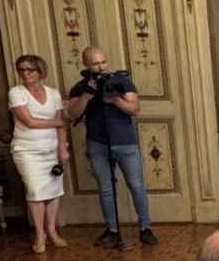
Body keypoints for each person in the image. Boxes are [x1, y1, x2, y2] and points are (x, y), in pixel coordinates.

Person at [66, 45, 156, 248]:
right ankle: (112, 230)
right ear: (85, 65)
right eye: (95, 64)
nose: (101, 67)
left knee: (136, 186)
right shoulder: (80, 87)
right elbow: (73, 114)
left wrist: (116, 100)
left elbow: (135, 109)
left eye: (103, 62)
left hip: (125, 143)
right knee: (105, 188)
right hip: (97, 143)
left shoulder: (121, 81)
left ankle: (146, 228)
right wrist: (87, 96)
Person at [8, 54, 69, 254]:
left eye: (29, 70)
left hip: (51, 149)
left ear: (40, 71)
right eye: (21, 70)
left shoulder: (53, 94)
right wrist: (57, 122)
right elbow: (29, 122)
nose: (25, 74)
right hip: (28, 150)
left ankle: (52, 231)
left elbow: (62, 125)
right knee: (35, 191)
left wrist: (62, 148)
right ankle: (39, 234)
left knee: (53, 191)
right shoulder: (16, 93)